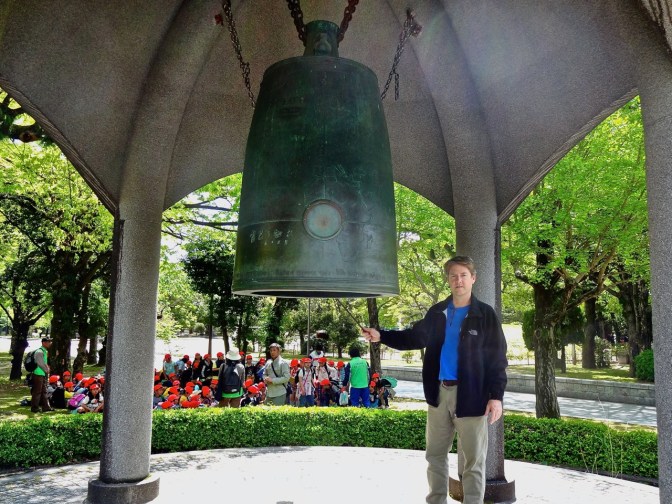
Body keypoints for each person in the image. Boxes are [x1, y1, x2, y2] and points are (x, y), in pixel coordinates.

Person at [361, 256, 508, 504]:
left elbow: (497, 358)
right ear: (448, 280)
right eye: (453, 275)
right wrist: (380, 335)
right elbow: (413, 338)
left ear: (473, 278)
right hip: (439, 394)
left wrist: (496, 397)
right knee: (435, 456)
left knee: (473, 461)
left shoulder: (485, 315)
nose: (458, 280)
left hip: (472, 396)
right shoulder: (437, 312)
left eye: (463, 275)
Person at [30, 338, 54, 413]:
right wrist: (47, 370)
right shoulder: (39, 352)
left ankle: (46, 407)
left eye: (50, 341)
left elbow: (44, 362)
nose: (50, 343)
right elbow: (40, 363)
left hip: (42, 373)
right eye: (48, 342)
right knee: (37, 391)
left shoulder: (44, 351)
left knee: (44, 391)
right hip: (38, 373)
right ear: (43, 343)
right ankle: (34, 408)